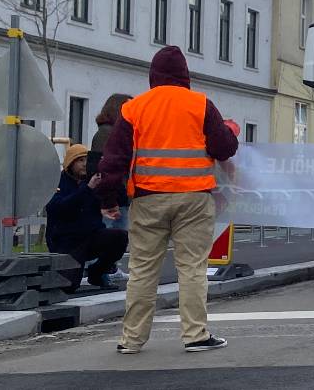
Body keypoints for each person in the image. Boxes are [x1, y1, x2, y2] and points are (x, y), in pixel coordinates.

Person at [95, 46, 238, 354]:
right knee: (192, 269)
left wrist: (107, 197)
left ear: (153, 75)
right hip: (194, 200)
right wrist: (226, 130)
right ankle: (196, 335)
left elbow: (114, 159)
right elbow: (224, 148)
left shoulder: (134, 109)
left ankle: (131, 339)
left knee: (143, 270)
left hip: (148, 200)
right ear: (185, 75)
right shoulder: (200, 104)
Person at [45, 144, 129, 292]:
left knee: (120, 237)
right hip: (68, 241)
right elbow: (59, 208)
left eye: (87, 160)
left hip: (91, 235)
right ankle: (70, 270)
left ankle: (96, 272)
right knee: (68, 286)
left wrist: (112, 178)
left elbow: (121, 200)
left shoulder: (94, 180)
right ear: (70, 163)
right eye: (80, 160)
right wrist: (87, 189)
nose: (84, 164)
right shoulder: (58, 182)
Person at [90, 94, 135, 231]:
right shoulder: (107, 134)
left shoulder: (110, 133)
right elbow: (103, 168)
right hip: (113, 198)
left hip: (118, 196)